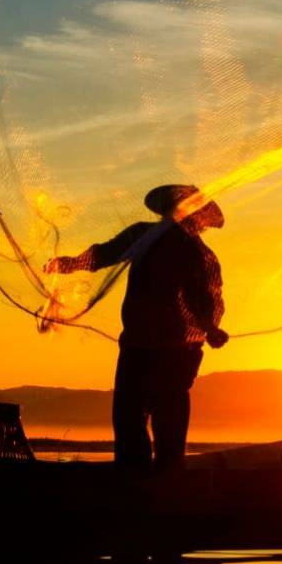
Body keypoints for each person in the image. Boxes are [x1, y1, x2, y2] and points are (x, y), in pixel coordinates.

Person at [45, 184, 227, 472]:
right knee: (129, 419)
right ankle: (136, 485)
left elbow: (202, 298)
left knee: (167, 424)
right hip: (137, 346)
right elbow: (105, 254)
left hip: (173, 352)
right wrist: (70, 264)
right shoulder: (143, 234)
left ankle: (164, 486)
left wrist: (210, 327)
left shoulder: (194, 252)